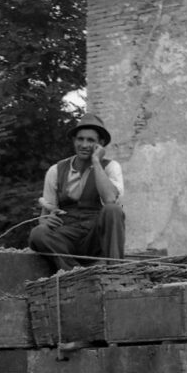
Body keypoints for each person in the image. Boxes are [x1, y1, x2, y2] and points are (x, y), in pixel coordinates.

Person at [28, 113, 125, 271]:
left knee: (113, 210)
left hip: (96, 238)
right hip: (67, 236)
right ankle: (74, 271)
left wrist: (96, 162)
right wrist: (46, 220)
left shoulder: (110, 167)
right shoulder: (56, 170)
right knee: (38, 233)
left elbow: (109, 199)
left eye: (91, 140)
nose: (84, 145)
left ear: (100, 144)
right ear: (74, 140)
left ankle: (116, 270)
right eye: (80, 139)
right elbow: (45, 214)